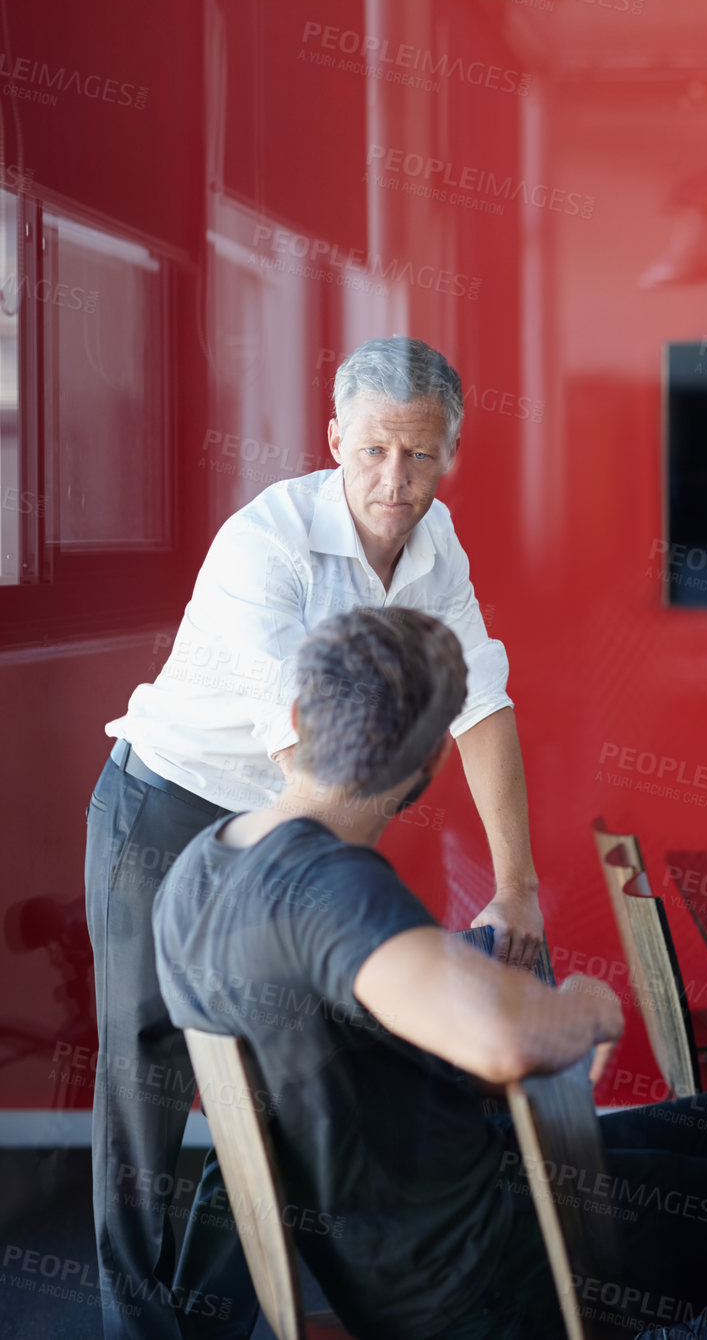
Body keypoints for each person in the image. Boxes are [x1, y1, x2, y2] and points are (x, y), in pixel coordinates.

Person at [153, 607, 707, 1340]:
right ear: (429, 760)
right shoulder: (333, 888)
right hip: (481, 1279)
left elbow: (399, 1017)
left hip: (430, 1226)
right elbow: (502, 1045)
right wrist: (587, 1005)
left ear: (297, 712)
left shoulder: (204, 866)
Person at [85, 338, 543, 1340]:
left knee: (284, 1096)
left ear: (449, 454)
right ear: (335, 439)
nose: (395, 478)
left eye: (420, 455)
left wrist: (516, 884)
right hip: (168, 809)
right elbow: (310, 725)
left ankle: (201, 1320)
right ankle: (131, 1326)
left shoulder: (436, 545)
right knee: (148, 1083)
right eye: (374, 449)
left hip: (297, 823)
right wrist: (346, 870)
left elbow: (485, 701)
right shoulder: (269, 541)